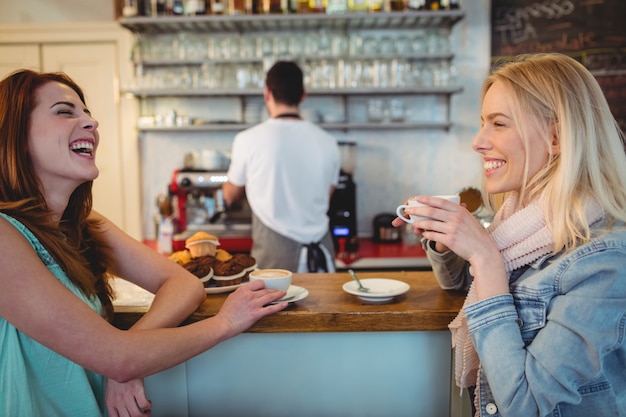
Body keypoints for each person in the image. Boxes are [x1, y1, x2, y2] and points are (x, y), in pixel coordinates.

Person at [0, 69, 288, 417]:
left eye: (87, 113)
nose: (91, 123)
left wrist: (128, 354)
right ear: (15, 134)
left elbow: (182, 282)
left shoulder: (84, 224)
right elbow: (118, 358)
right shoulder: (5, 236)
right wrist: (224, 323)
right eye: (65, 111)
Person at [393, 53, 626, 416]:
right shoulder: (522, 222)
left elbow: (527, 405)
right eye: (482, 123)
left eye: (498, 124)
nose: (478, 142)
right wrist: (446, 242)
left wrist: (485, 257)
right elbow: (468, 287)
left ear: (557, 136)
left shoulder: (605, 260)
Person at [223, 61, 340, 273]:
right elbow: (326, 197)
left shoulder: (247, 140)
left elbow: (230, 195)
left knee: (277, 307)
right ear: (302, 95)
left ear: (267, 94)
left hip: (274, 260)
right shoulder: (328, 141)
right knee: (325, 306)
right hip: (322, 255)